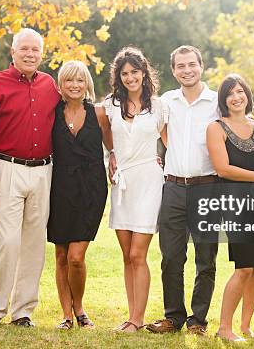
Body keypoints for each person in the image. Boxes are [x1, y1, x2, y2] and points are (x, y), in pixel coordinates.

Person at [0, 28, 60, 327]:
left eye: (35, 50)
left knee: (34, 244)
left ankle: (23, 311)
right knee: (7, 241)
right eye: (24, 49)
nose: (30, 54)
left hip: (43, 170)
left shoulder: (50, 85)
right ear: (13, 51)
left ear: (41, 54)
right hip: (5, 169)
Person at [145, 45, 219, 336]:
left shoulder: (216, 102)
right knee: (171, 258)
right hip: (173, 187)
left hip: (208, 188)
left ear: (201, 66)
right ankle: (173, 318)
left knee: (206, 258)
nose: (187, 70)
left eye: (192, 64)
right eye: (181, 66)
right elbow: (162, 133)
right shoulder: (167, 101)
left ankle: (198, 320)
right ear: (174, 70)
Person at [206, 75, 254, 341]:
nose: (236, 97)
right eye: (230, 93)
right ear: (223, 99)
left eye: (240, 91)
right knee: (244, 267)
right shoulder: (216, 127)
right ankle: (224, 328)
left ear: (248, 95)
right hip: (237, 203)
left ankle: (246, 326)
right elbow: (223, 169)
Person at [103, 47, 167, 332]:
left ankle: (137, 320)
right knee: (126, 255)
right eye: (124, 73)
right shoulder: (109, 106)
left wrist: (165, 165)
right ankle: (131, 316)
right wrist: (111, 159)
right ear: (118, 76)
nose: (130, 78)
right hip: (122, 184)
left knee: (138, 254)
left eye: (134, 72)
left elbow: (171, 142)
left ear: (144, 73)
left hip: (149, 180)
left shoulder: (159, 105)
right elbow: (108, 142)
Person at [47, 61, 110, 329]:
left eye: (80, 80)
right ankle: (66, 315)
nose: (74, 85)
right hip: (59, 188)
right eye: (69, 81)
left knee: (76, 256)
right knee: (61, 255)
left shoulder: (99, 114)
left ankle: (80, 307)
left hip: (91, 189)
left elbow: (116, 147)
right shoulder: (51, 114)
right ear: (60, 85)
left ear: (87, 84)